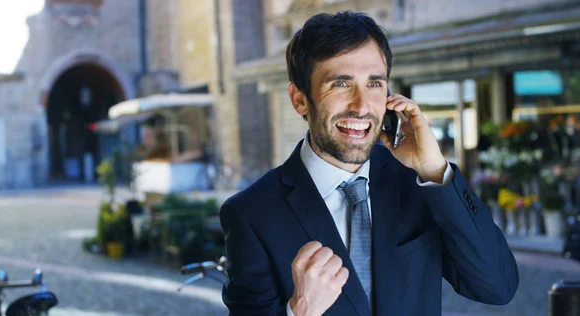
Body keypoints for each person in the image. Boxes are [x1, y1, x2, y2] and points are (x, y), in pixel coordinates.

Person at [219, 11, 518, 316]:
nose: (362, 106)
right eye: (340, 85)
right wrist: (299, 312)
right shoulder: (251, 213)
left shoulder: (418, 182)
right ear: (299, 99)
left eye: (374, 84)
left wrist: (435, 171)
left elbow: (498, 287)